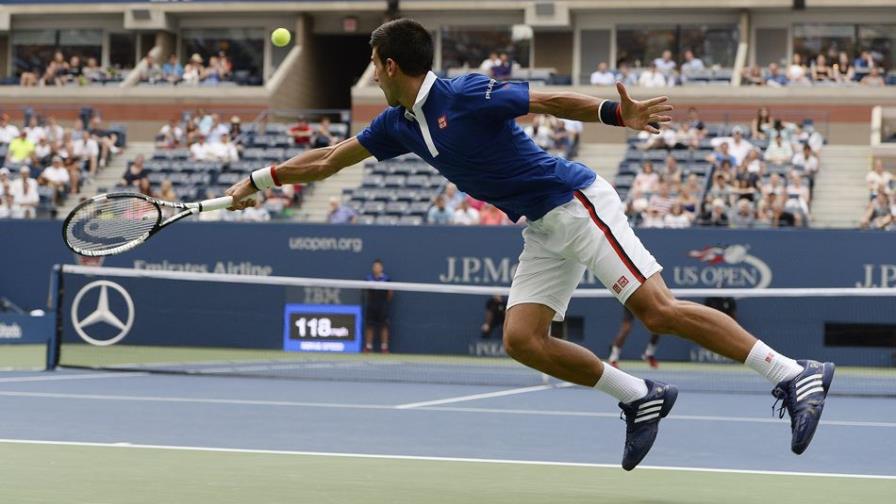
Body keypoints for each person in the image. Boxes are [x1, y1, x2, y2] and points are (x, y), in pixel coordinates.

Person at [224, 19, 835, 470]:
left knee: (656, 311)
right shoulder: (396, 124)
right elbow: (331, 160)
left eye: (371, 63)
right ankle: (641, 395)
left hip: (575, 203)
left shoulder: (461, 93)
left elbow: (542, 98)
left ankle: (791, 373)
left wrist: (613, 114)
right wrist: (259, 180)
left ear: (386, 65)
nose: (370, 72)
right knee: (522, 340)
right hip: (541, 228)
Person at [363, 259, 392, 353]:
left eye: (378, 266)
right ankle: (368, 347)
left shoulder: (386, 279)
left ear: (381, 268)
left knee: (384, 326)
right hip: (371, 305)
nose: (376, 268)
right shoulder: (368, 278)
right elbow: (365, 291)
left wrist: (384, 302)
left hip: (382, 305)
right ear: (373, 268)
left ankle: (384, 347)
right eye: (375, 266)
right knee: (369, 326)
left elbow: (390, 293)